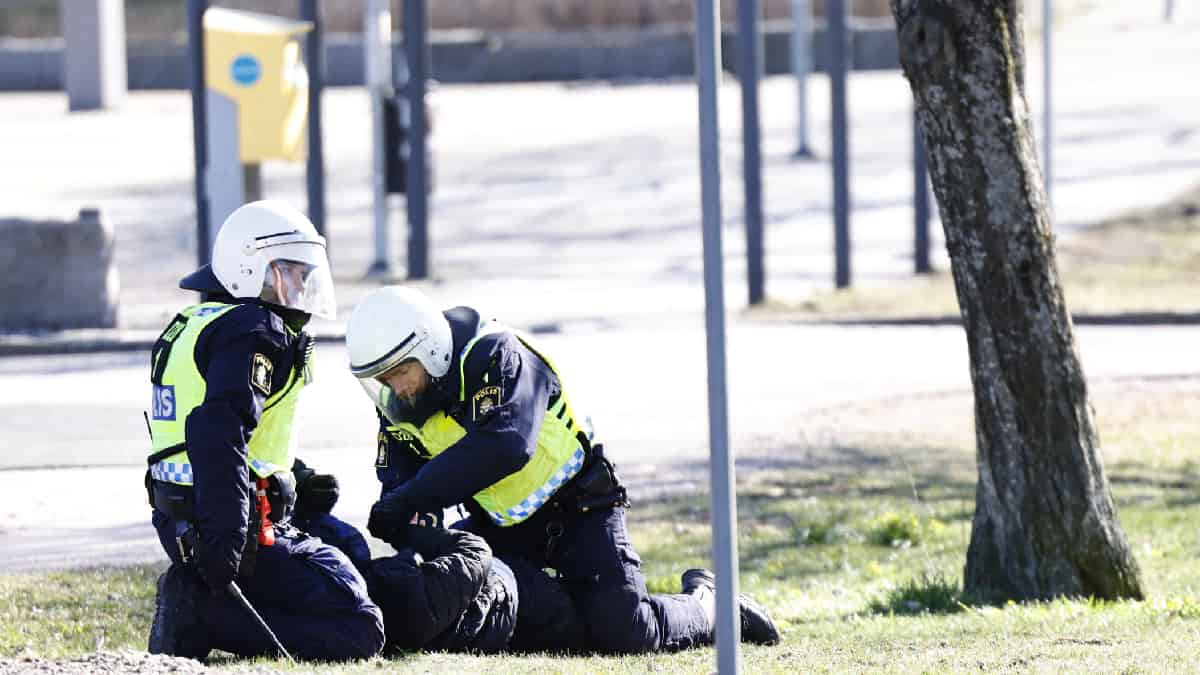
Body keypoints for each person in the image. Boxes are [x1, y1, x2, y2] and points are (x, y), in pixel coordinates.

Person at [345, 286, 779, 654]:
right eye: (384, 380)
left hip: (582, 507)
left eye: (402, 372)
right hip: (504, 526)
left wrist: (411, 500)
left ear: (430, 348)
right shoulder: (402, 406)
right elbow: (400, 486)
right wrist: (411, 522)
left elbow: (506, 444)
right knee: (550, 627)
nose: (397, 388)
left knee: (626, 633)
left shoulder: (495, 353)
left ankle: (712, 604)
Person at [144, 200, 384, 661]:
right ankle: (200, 612)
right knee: (359, 626)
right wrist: (227, 545)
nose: (303, 285)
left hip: (187, 520)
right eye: (294, 273)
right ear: (257, 270)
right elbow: (218, 432)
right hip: (234, 529)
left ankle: (199, 600)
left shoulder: (199, 324)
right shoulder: (256, 331)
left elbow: (214, 429)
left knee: (348, 547)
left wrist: (294, 476)